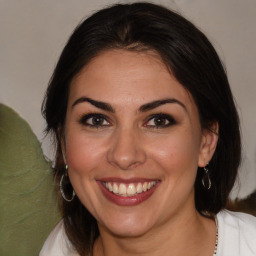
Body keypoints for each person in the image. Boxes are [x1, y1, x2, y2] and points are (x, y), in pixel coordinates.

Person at [39, 2, 256, 256]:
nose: (124, 155)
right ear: (63, 142)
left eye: (158, 121)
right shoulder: (60, 248)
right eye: (97, 120)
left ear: (206, 142)